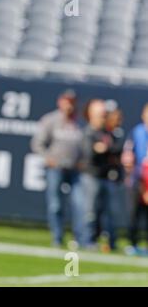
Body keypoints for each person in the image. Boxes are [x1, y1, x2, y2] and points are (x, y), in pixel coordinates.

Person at [30, 90, 84, 248]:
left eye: (72, 101)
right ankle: (57, 237)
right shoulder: (50, 120)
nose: (69, 105)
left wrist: (82, 160)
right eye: (67, 101)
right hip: (56, 168)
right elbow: (37, 143)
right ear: (60, 102)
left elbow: (83, 146)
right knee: (56, 204)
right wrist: (48, 158)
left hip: (74, 169)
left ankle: (79, 238)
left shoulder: (78, 123)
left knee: (79, 203)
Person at [80, 99, 123, 251]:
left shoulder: (106, 133)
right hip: (92, 176)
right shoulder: (89, 132)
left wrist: (105, 149)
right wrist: (99, 149)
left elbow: (114, 151)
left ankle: (105, 241)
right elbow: (89, 154)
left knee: (105, 212)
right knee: (90, 211)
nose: (104, 118)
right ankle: (87, 240)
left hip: (104, 176)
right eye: (101, 115)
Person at [122, 104, 148, 256]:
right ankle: (133, 243)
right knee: (133, 213)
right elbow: (128, 155)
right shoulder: (136, 132)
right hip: (137, 179)